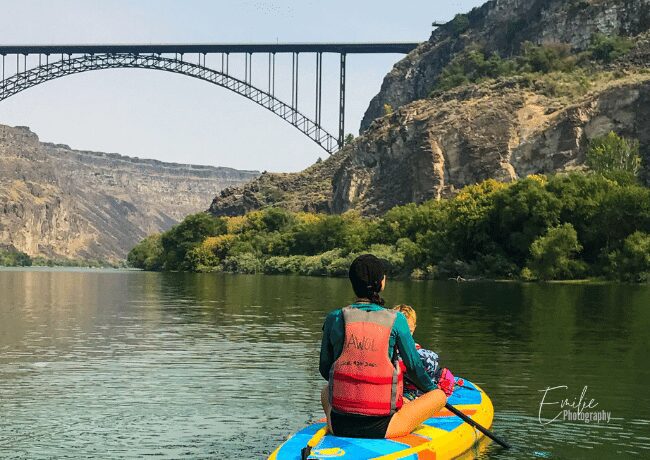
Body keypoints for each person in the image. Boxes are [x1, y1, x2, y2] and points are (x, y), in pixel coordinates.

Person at [319, 254, 455, 439]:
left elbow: (325, 369)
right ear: (382, 283)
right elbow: (415, 369)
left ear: (352, 283)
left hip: (339, 424)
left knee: (326, 391)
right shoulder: (397, 320)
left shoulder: (334, 318)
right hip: (383, 427)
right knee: (439, 396)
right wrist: (430, 391)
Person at [393, 304, 451, 401]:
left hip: (415, 389)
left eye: (409, 332)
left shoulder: (422, 354)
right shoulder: (387, 349)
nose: (403, 337)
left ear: (414, 328)